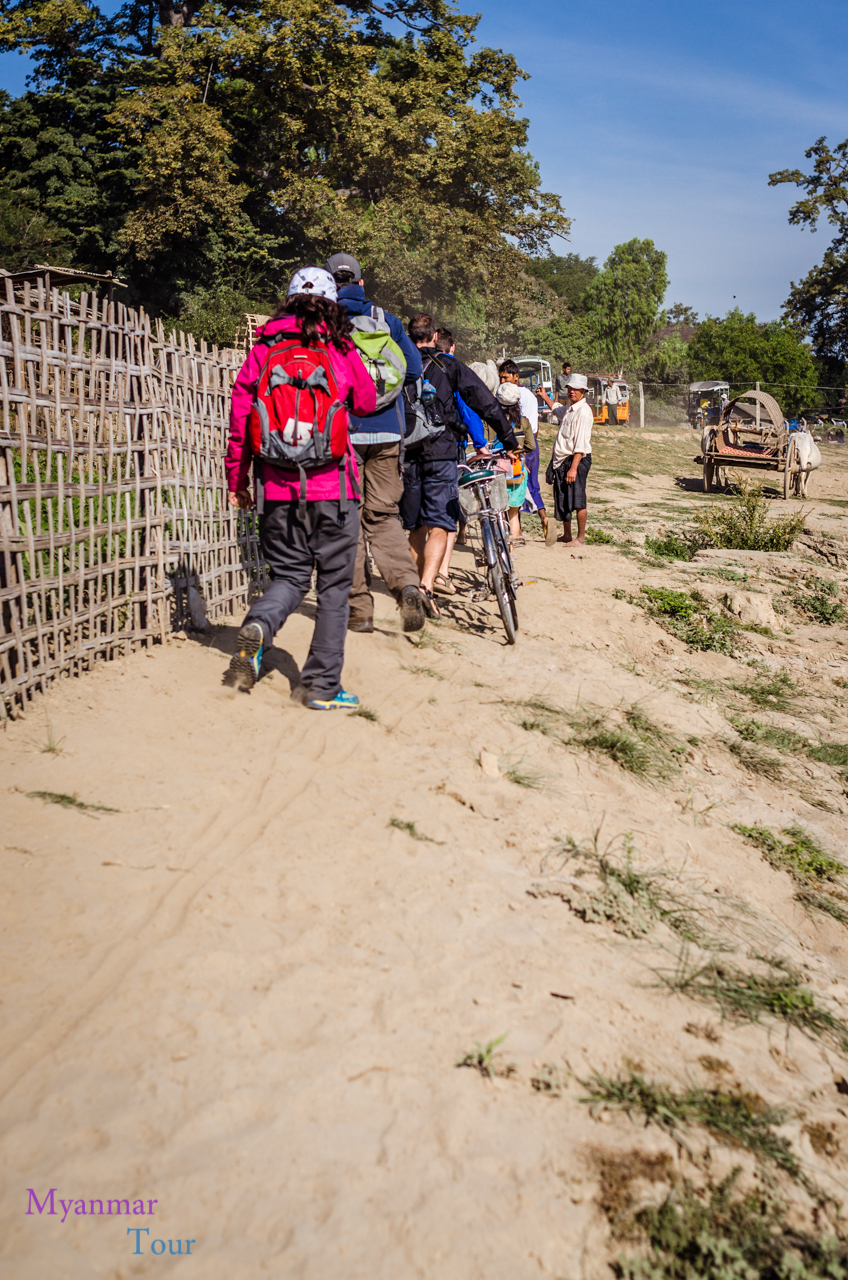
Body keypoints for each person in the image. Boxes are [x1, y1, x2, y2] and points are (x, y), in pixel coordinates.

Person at [224, 267, 377, 710]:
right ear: (332, 304)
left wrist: (239, 480)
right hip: (336, 489)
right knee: (332, 589)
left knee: (289, 577)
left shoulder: (265, 347)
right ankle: (320, 687)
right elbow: (365, 402)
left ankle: (261, 625)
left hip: (275, 488)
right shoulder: (340, 348)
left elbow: (239, 420)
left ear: (287, 300)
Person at [326, 251, 426, 634]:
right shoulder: (387, 320)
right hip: (388, 431)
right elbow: (413, 369)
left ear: (330, 283)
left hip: (343, 434)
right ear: (362, 283)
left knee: (347, 519)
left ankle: (360, 611)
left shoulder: (325, 323)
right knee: (383, 517)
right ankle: (407, 586)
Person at [403, 315, 519, 616]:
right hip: (441, 452)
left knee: (415, 526)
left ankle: (418, 585)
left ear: (409, 335)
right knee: (442, 521)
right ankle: (427, 586)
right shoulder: (449, 365)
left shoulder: (397, 364)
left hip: (406, 453)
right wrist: (507, 438)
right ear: (433, 336)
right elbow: (484, 402)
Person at [431, 327, 486, 593]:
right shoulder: (452, 369)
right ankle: (441, 573)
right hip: (450, 448)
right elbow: (468, 409)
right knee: (450, 510)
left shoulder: (414, 363)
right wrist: (481, 442)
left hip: (415, 445)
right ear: (451, 348)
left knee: (424, 514)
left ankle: (420, 575)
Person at [498, 359, 548, 540]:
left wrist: (521, 454)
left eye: (506, 377)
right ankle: (543, 516)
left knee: (512, 488)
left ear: (516, 377)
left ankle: (513, 530)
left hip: (517, 448)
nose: (503, 381)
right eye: (501, 377)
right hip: (531, 444)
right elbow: (534, 427)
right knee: (531, 485)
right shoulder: (531, 396)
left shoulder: (509, 396)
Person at [546, 373, 593, 545]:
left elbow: (580, 445)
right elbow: (556, 408)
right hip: (563, 460)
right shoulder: (569, 409)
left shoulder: (583, 412)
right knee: (564, 497)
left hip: (576, 460)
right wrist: (544, 396)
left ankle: (580, 538)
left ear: (583, 391)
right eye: (570, 388)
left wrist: (573, 467)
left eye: (575, 389)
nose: (572, 391)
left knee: (578, 499)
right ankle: (567, 535)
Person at [496, 382, 534, 545]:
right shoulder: (523, 422)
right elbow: (531, 446)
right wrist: (519, 451)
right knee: (513, 513)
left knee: (498, 512)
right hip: (518, 470)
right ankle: (512, 550)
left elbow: (486, 442)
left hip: (497, 470)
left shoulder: (492, 421)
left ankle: (501, 547)